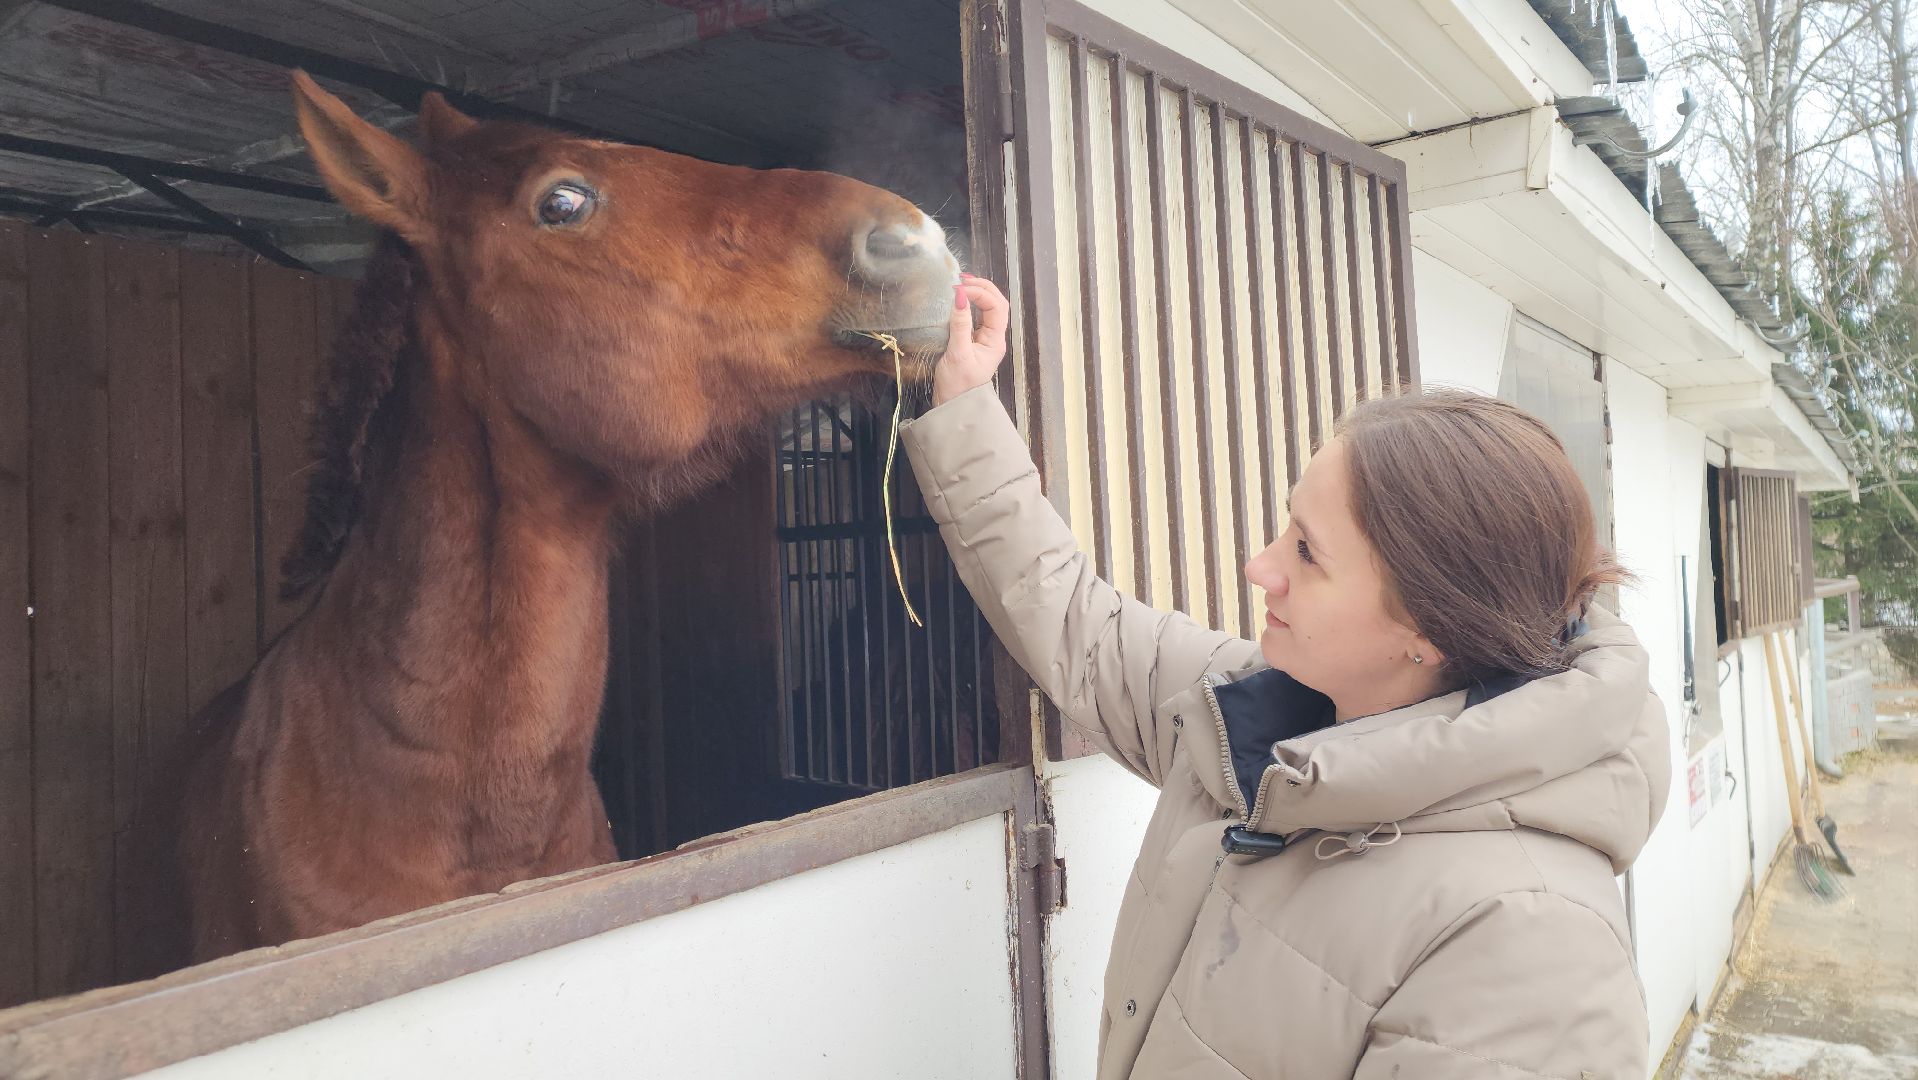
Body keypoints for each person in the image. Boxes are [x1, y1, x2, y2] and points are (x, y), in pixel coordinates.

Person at [902, 276, 1671, 1079]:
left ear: (1430, 629)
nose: (1259, 566)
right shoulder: (1260, 719)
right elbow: (1077, 625)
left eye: (1307, 552)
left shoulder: (1533, 948)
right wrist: (965, 408)